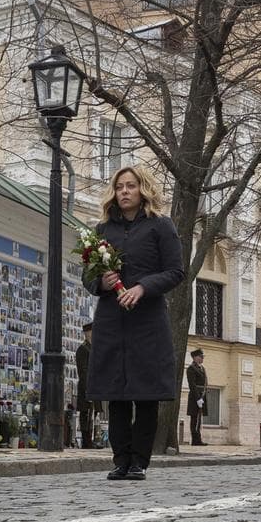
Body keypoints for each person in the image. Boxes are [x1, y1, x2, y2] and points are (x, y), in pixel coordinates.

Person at [84, 165, 185, 481]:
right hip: (112, 321)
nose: (124, 191)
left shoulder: (161, 226)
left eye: (130, 186)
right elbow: (87, 275)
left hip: (147, 322)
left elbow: (175, 271)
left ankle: (139, 460)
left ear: (143, 189)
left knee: (145, 394)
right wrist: (101, 282)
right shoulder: (102, 231)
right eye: (119, 187)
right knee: (115, 393)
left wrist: (143, 287)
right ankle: (119, 459)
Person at [75, 322, 99, 448]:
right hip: (87, 386)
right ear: (87, 333)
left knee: (93, 414)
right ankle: (86, 440)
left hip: (95, 386)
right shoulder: (83, 349)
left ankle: (92, 439)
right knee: (85, 414)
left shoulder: (94, 348)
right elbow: (83, 371)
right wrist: (87, 389)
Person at [186, 348, 207, 446]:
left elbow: (205, 382)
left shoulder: (202, 368)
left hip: (202, 395)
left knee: (199, 418)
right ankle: (195, 440)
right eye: (201, 357)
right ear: (195, 357)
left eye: (203, 357)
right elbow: (192, 385)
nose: (202, 358)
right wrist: (198, 398)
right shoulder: (191, 368)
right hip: (195, 396)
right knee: (194, 418)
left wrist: (203, 395)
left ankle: (198, 439)